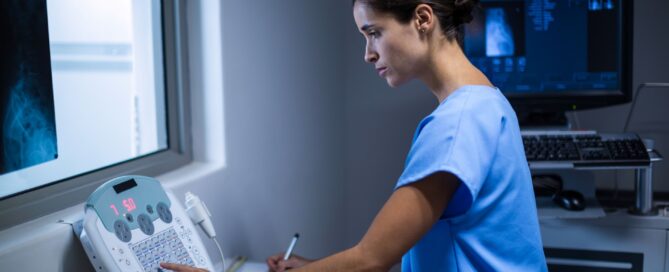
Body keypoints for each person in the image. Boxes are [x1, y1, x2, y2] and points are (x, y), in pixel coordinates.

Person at [162, 0, 547, 271]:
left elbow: (372, 259)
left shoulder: (456, 125)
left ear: (422, 18)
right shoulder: (488, 102)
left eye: (374, 33)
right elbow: (418, 253)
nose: (368, 53)